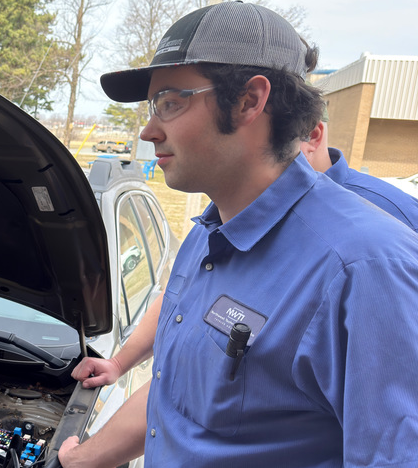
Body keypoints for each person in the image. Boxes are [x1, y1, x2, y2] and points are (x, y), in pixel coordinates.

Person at [58, 1, 418, 468]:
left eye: (169, 102)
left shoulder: (365, 268)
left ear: (249, 101)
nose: (148, 130)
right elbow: (177, 404)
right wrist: (82, 461)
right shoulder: (205, 237)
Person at [74, 116, 418, 392]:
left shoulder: (382, 234)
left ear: (312, 136)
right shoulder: (226, 214)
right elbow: (179, 298)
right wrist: (118, 365)